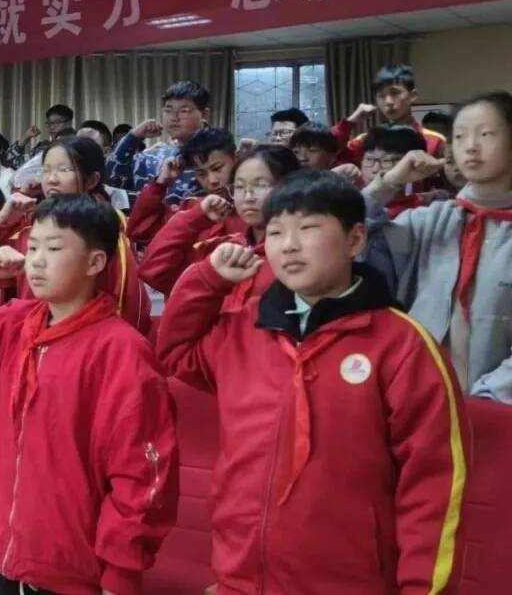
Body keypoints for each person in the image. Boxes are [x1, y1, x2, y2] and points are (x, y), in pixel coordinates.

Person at [158, 170, 468, 594]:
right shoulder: (245, 329)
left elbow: (434, 484)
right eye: (275, 232)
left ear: (355, 239)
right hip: (241, 575)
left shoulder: (402, 345)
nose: (289, 245)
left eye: (307, 228)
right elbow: (174, 353)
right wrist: (208, 280)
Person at [0, 194, 177, 595]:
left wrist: (121, 573)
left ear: (95, 262)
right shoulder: (12, 324)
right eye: (33, 247)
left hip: (71, 564)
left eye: (54, 249)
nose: (37, 261)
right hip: (4, 548)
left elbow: (140, 475)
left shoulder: (121, 351)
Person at [364, 90, 512, 403]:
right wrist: (389, 183)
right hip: (418, 400)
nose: (470, 146)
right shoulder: (431, 221)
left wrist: (487, 401)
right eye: (459, 136)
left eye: (485, 134)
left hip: (495, 410)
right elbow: (346, 235)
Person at [0, 136, 152, 335]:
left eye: (64, 170)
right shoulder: (30, 226)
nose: (51, 179)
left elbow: (130, 303)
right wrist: (1, 223)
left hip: (84, 339)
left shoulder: (104, 227)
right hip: (31, 337)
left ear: (92, 180)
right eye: (46, 170)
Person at [141, 143, 299, 299]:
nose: (248, 197)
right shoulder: (227, 249)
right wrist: (194, 218)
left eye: (260, 186)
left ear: (290, 188)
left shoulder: (295, 254)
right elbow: (155, 272)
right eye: (239, 187)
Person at [126, 127, 234, 247]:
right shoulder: (192, 211)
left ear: (236, 159)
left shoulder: (248, 207)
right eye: (201, 174)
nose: (212, 181)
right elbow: (141, 232)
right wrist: (160, 184)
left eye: (217, 169)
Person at [107, 80, 211, 201]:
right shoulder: (151, 158)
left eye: (184, 111)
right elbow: (113, 181)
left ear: (204, 114)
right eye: (168, 110)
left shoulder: (218, 157)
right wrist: (133, 137)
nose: (174, 117)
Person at [332, 64, 446, 165]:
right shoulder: (367, 140)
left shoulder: (435, 141)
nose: (388, 102)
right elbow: (331, 154)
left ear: (413, 96)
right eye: (381, 96)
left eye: (395, 93)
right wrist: (350, 122)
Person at [359, 125, 439, 218]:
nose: (375, 169)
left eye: (387, 160)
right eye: (369, 159)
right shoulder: (349, 206)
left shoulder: (426, 212)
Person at [76, 120, 130, 211]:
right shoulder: (63, 185)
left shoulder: (116, 194)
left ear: (106, 151)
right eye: (76, 145)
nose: (80, 151)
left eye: (89, 146)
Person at [5, 104, 75, 168]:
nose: (52, 127)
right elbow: (7, 161)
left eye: (57, 123)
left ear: (69, 123)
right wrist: (25, 138)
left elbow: (9, 162)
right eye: (49, 123)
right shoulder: (44, 146)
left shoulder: (76, 146)